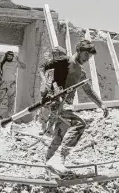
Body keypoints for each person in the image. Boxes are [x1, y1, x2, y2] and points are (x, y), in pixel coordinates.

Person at [39, 40, 109, 175]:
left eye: (89, 57)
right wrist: (46, 84)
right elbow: (43, 67)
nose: (87, 58)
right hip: (56, 102)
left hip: (66, 105)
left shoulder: (81, 71)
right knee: (79, 124)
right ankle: (59, 159)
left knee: (59, 136)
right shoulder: (65, 61)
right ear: (79, 50)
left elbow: (88, 90)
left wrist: (101, 104)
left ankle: (48, 169)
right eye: (86, 55)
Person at [0, 51, 26, 119]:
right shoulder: (2, 62)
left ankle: (10, 115)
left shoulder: (15, 63)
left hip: (11, 84)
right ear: (6, 56)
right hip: (3, 83)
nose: (9, 57)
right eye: (8, 56)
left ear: (12, 56)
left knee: (11, 99)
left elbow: (24, 66)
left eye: (11, 56)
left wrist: (18, 61)